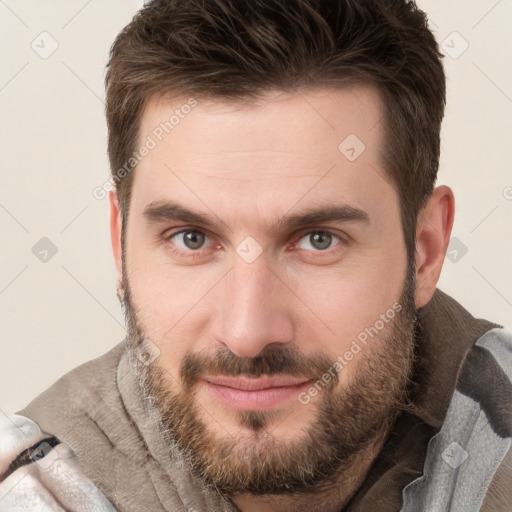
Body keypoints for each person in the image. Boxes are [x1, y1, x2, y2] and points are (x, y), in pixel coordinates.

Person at [1, 0, 511, 510]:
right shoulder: (33, 487)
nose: (247, 334)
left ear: (424, 251)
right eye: (191, 239)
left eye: (318, 240)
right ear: (120, 246)